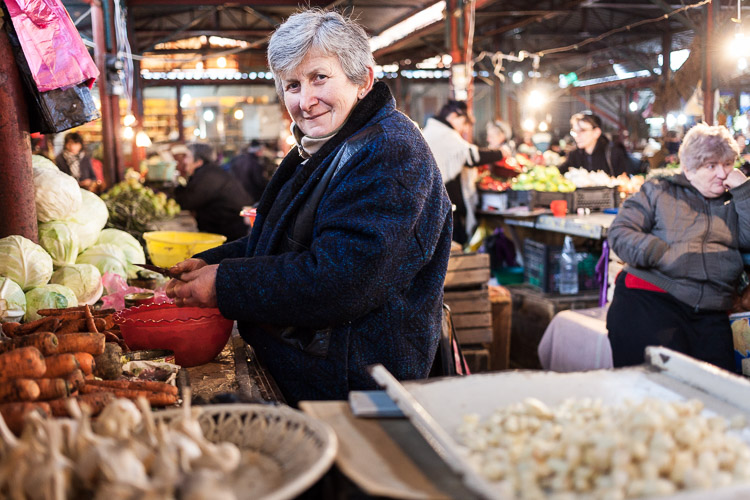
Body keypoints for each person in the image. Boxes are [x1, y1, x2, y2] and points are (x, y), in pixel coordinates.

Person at [165, 9, 452, 405]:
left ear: (363, 79)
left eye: (319, 77)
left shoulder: (389, 150)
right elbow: (280, 241)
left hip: (355, 391)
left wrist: (224, 282)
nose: (305, 100)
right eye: (292, 85)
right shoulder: (323, 145)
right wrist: (211, 263)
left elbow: (342, 281)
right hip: (309, 372)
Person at [607, 123, 750, 371]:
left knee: (716, 392)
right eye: (711, 166)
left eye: (727, 164)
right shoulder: (659, 191)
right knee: (655, 385)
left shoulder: (735, 200)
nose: (722, 173)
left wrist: (745, 192)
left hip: (710, 309)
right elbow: (620, 232)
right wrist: (661, 253)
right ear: (688, 169)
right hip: (651, 298)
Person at [422, 100, 503, 245]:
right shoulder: (443, 134)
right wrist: (500, 153)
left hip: (436, 208)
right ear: (453, 116)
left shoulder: (433, 130)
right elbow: (472, 156)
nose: (465, 129)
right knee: (452, 250)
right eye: (464, 123)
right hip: (444, 209)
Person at [173, 142, 252, 241]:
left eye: (187, 157)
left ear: (199, 161)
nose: (184, 161)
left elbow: (186, 202)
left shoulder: (208, 176)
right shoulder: (207, 172)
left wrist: (175, 183)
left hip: (230, 234)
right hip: (225, 229)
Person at [558, 111, 629, 176]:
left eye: (582, 130)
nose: (577, 136)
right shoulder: (573, 156)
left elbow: (625, 181)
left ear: (597, 132)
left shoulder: (614, 153)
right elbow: (558, 172)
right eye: (575, 131)